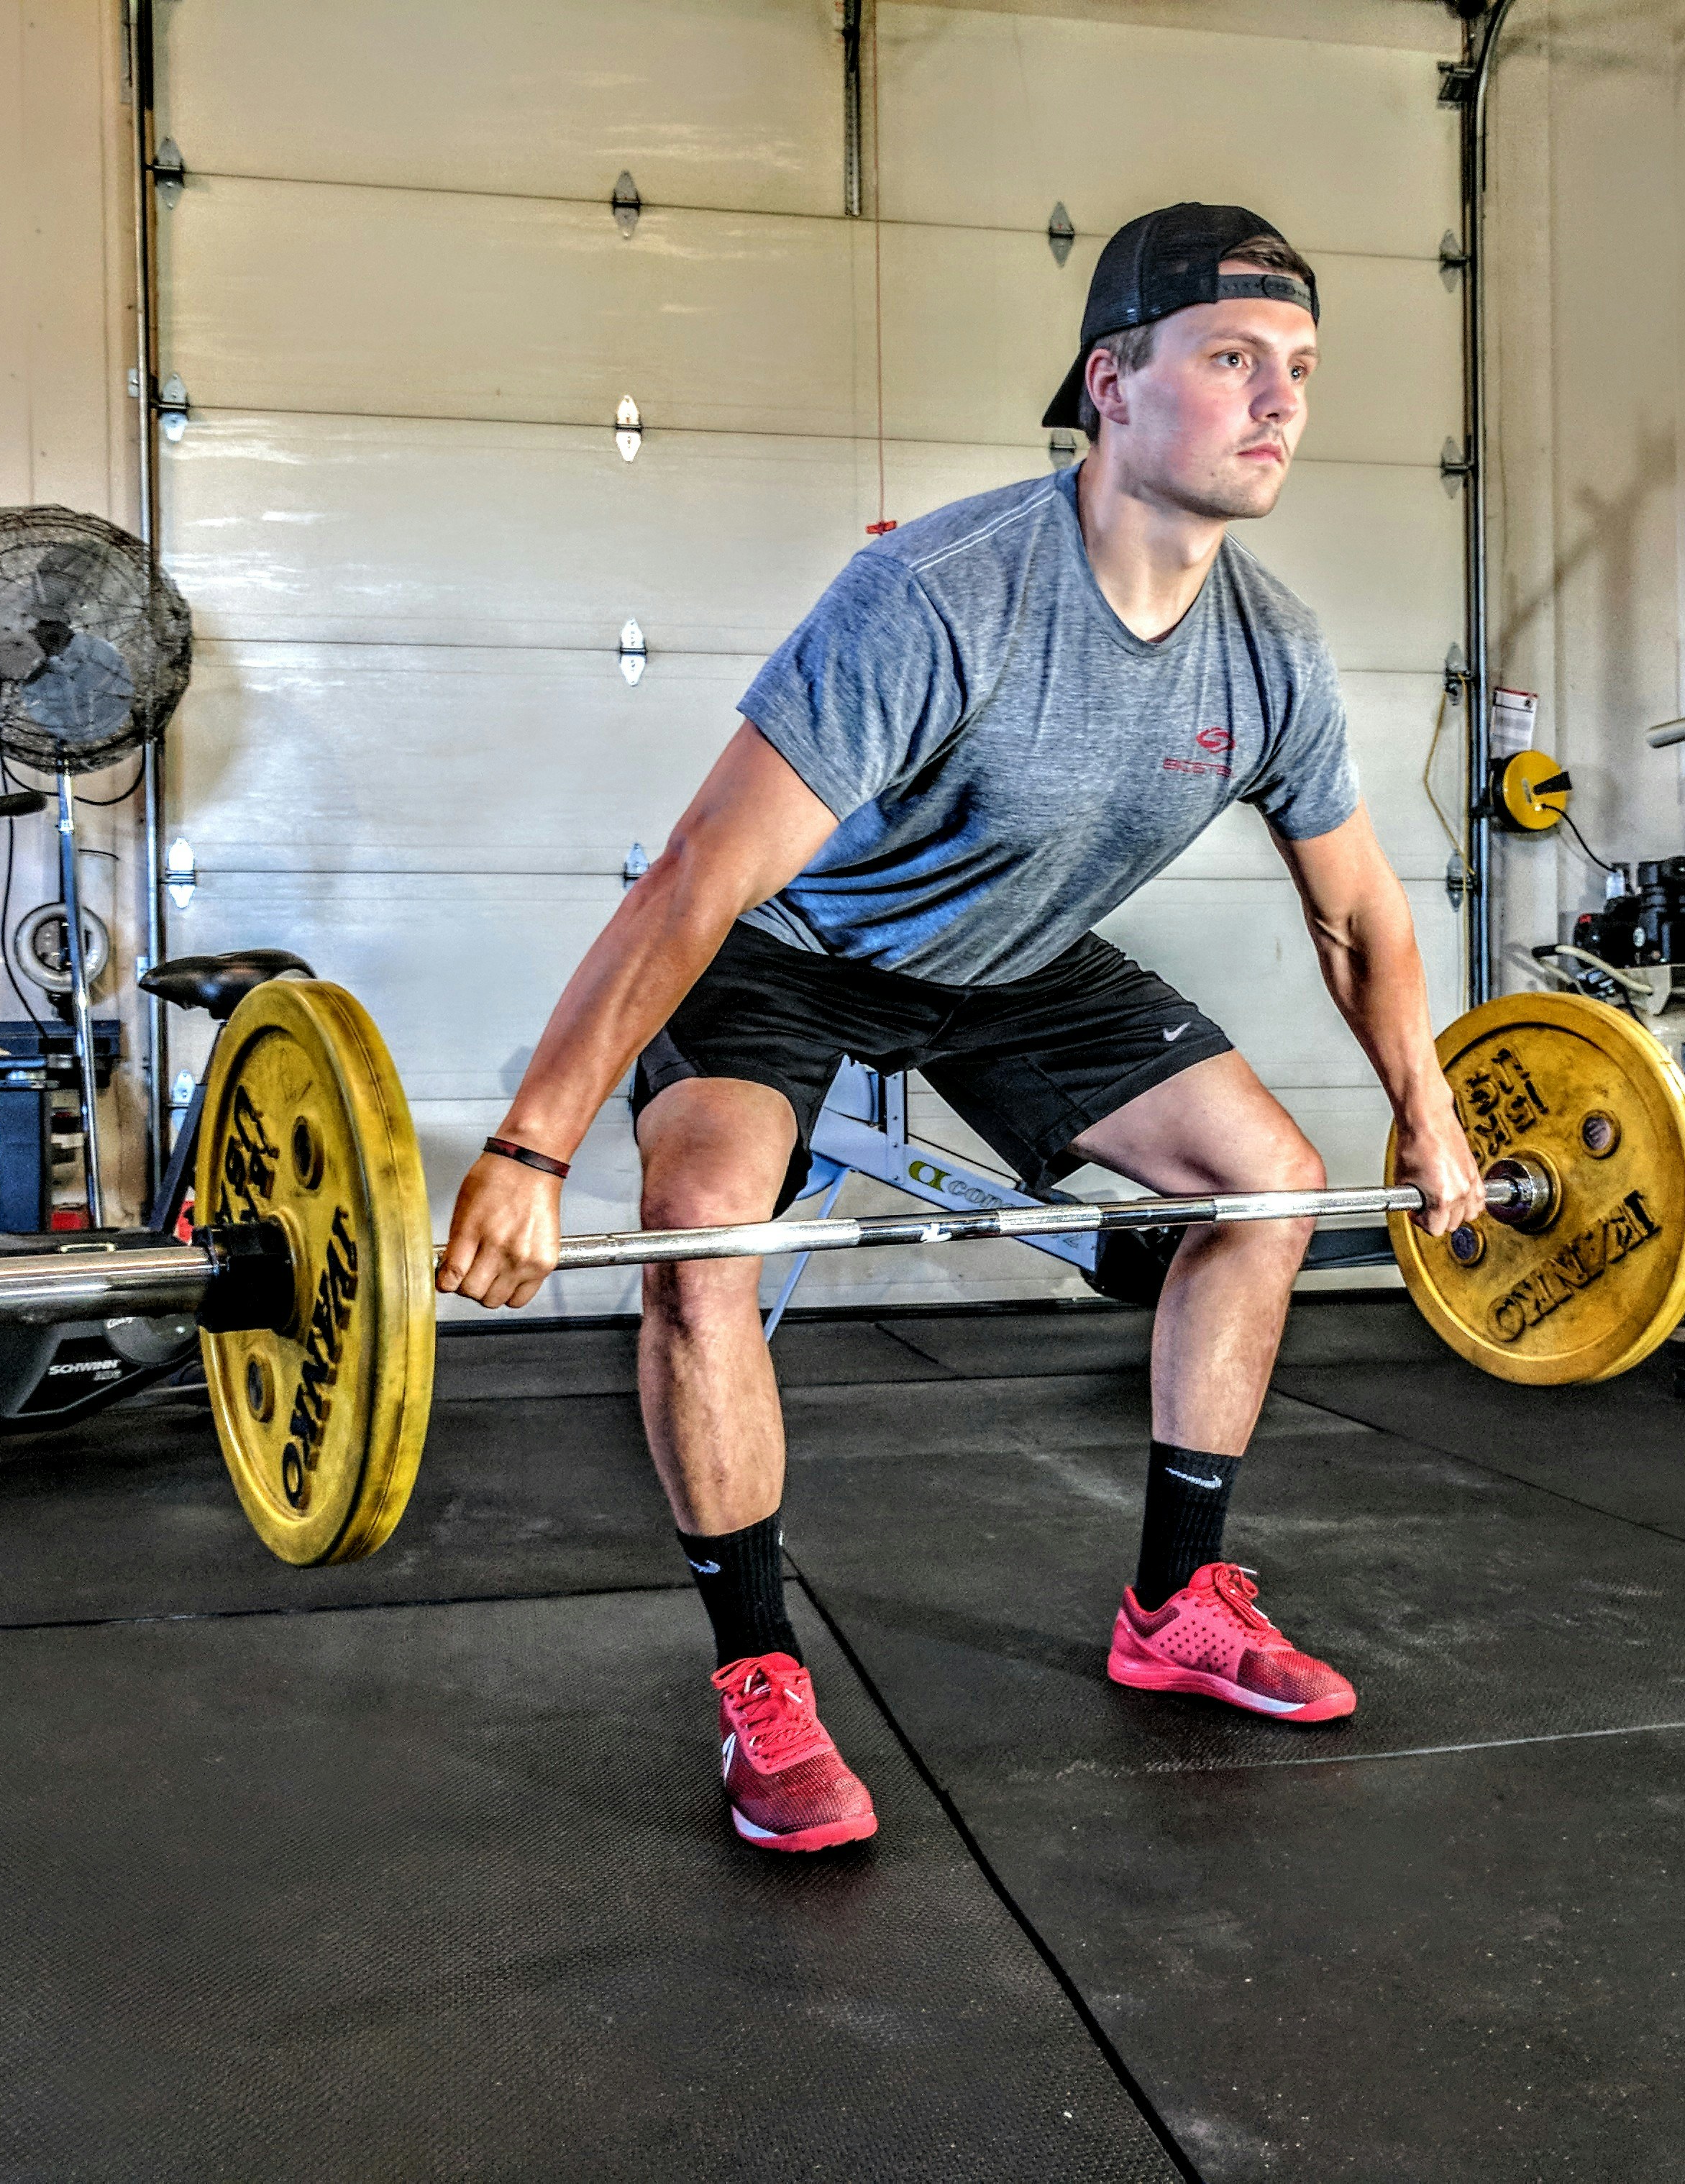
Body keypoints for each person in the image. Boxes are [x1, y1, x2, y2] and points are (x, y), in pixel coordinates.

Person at [437, 202, 1484, 1852]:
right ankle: (761, 1674)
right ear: (1112, 385)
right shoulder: (939, 595)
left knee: (1267, 1187)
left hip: (1019, 961)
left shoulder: (1271, 645)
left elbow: (1358, 910)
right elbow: (704, 877)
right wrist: (530, 1146)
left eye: (1298, 368)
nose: (1279, 401)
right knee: (704, 1227)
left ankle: (1173, 1601)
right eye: (1230, 360)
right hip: (789, 950)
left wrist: (1423, 1107)